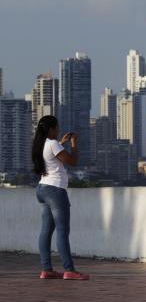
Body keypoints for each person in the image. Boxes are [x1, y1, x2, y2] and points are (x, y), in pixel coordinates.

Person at [31, 115, 90, 280]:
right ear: (51, 129)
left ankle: (47, 269)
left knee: (46, 231)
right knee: (63, 231)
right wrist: (74, 143)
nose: (58, 130)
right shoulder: (53, 144)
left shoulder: (41, 144)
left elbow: (51, 158)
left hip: (42, 189)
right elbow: (73, 161)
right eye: (56, 128)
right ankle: (69, 270)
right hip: (55, 190)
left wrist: (61, 143)